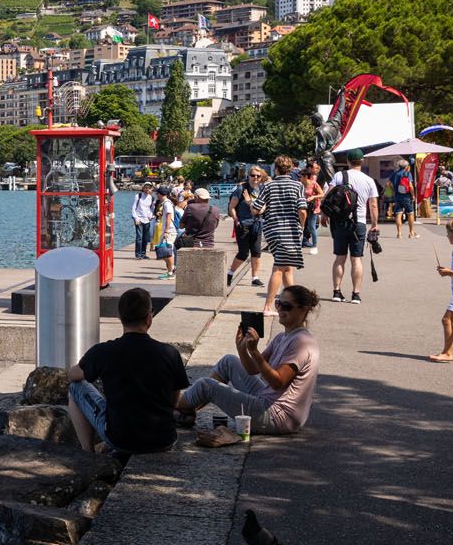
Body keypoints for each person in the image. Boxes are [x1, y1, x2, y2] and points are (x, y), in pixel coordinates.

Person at [177, 285, 321, 434]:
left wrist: (254, 351)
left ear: (303, 310)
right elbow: (252, 369)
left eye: (286, 306)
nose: (280, 309)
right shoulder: (282, 337)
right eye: (278, 303)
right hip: (268, 401)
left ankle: (169, 406)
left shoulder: (301, 342)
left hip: (278, 416)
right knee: (229, 361)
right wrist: (242, 348)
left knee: (206, 385)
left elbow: (278, 382)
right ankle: (186, 410)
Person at [67, 287, 189, 455]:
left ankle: (88, 452)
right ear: (149, 318)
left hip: (120, 439)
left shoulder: (103, 351)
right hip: (164, 439)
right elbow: (174, 400)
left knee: (75, 388)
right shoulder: (169, 353)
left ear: (120, 318)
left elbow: (73, 375)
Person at [251, 155, 309, 315]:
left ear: (276, 169)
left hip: (273, 230)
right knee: (279, 268)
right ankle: (268, 307)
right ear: (290, 169)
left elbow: (256, 208)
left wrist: (252, 204)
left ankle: (292, 304)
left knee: (287, 268)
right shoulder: (298, 186)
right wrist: (302, 226)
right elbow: (302, 210)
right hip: (291, 231)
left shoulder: (268, 186)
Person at [326, 149, 380, 304]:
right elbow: (374, 205)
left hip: (340, 222)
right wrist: (374, 224)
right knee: (356, 259)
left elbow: (329, 196)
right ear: (362, 161)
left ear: (348, 161)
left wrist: (324, 215)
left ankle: (336, 292)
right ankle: (355, 294)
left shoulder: (339, 176)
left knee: (339, 258)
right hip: (359, 223)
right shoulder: (369, 180)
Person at [429, 218, 453, 362]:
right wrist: (447, 271)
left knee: (446, 319)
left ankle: (447, 352)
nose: (447, 236)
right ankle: (447, 352)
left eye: (449, 233)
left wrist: (449, 273)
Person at [227, 168, 266, 289]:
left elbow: (264, 207)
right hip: (243, 224)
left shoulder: (262, 189)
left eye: (258, 176)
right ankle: (230, 274)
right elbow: (231, 207)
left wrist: (256, 207)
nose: (255, 178)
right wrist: (236, 220)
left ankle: (255, 278)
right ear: (248, 176)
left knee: (256, 252)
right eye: (253, 175)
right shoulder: (241, 189)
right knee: (243, 253)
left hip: (257, 223)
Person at [390, 159, 418, 239]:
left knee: (398, 214)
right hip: (406, 196)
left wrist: (394, 190)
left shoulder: (395, 174)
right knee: (410, 213)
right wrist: (413, 195)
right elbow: (410, 186)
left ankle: (399, 233)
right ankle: (411, 233)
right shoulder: (407, 173)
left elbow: (388, 184)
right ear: (406, 166)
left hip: (397, 196)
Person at [300, 164, 324, 255]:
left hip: (311, 208)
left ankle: (314, 246)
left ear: (306, 177)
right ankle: (298, 245)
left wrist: (313, 197)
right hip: (302, 207)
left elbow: (322, 194)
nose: (300, 179)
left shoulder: (314, 184)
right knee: (300, 226)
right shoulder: (300, 185)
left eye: (301, 177)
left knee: (311, 226)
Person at [156, 189, 177, 279]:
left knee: (167, 252)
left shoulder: (167, 203)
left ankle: (171, 272)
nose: (156, 195)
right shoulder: (166, 203)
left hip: (169, 231)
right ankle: (170, 269)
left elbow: (169, 217)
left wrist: (166, 231)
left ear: (160, 194)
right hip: (167, 230)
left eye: (157, 193)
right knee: (164, 251)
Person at [132, 182, 155, 259]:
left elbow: (151, 208)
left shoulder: (151, 197)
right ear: (143, 188)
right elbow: (133, 208)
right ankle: (138, 254)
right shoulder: (138, 196)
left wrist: (150, 216)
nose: (147, 189)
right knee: (139, 237)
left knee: (145, 237)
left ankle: (143, 253)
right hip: (139, 219)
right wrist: (136, 218)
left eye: (149, 187)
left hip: (147, 220)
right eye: (146, 187)